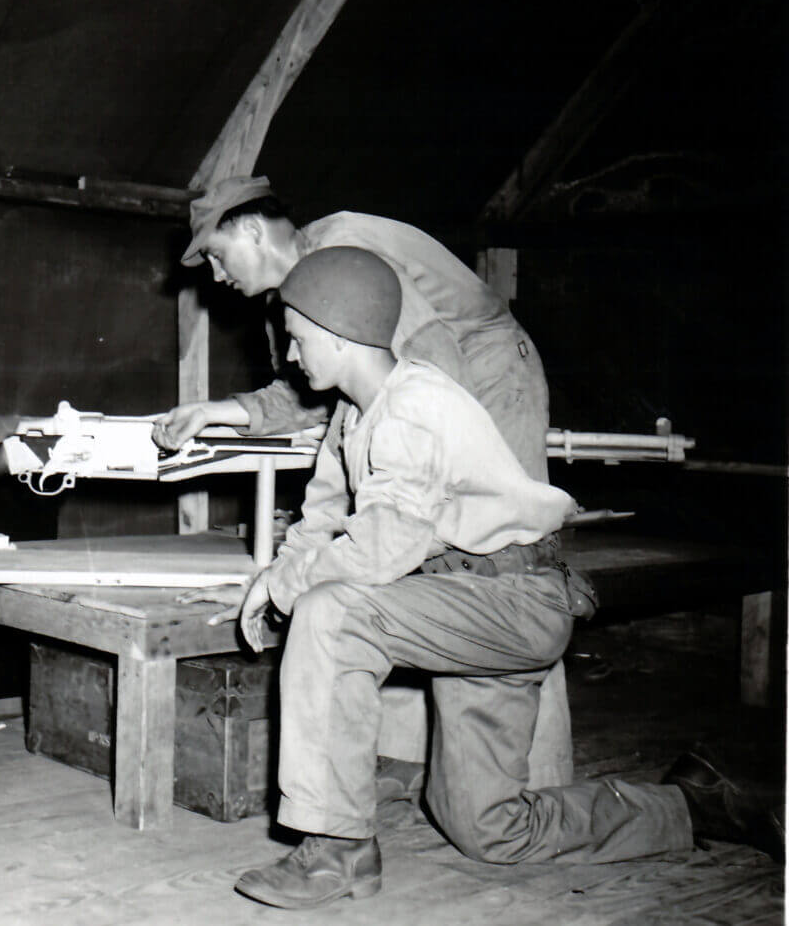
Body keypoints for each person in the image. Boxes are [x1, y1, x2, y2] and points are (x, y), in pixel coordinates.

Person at [221, 247, 780, 910]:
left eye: (297, 337)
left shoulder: (412, 405)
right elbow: (322, 516)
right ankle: (693, 804)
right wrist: (277, 575)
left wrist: (292, 590)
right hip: (460, 606)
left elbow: (378, 551)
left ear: (341, 336)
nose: (289, 355)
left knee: (333, 613)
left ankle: (338, 848)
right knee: (488, 830)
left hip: (511, 599)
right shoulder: (352, 415)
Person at [157, 174, 569, 794]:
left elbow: (425, 378)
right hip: (429, 385)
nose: (216, 277)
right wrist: (221, 413)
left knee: (499, 565)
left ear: (249, 228)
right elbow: (324, 391)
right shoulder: (297, 292)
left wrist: (309, 556)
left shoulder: (345, 253)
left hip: (484, 375)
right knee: (392, 559)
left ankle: (532, 773)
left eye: (216, 255)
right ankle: (406, 754)